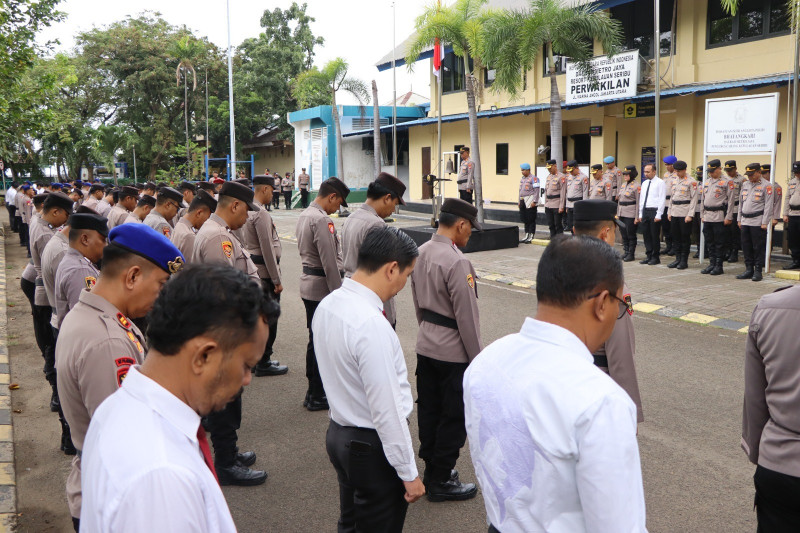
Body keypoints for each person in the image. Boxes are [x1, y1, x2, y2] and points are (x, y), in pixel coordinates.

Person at [463, 235, 647, 533]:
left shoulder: (486, 363)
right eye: (619, 304)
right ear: (602, 303)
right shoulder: (601, 400)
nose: (619, 313)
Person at [80, 264, 277, 533]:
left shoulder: (119, 407)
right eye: (245, 365)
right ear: (203, 356)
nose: (247, 380)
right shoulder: (162, 478)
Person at [57, 224, 184, 530]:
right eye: (161, 284)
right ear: (132, 276)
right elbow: (127, 440)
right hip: (115, 498)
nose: (161, 296)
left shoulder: (97, 316)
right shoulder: (108, 341)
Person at [314, 226, 426, 532]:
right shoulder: (370, 324)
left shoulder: (329, 304)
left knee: (350, 523)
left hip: (340, 433)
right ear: (392, 269)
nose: (405, 283)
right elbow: (386, 409)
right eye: (407, 274)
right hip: (371, 446)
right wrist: (409, 473)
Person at [192, 181, 268, 486]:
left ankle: (229, 452)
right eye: (246, 210)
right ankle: (225, 462)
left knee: (230, 396)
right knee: (225, 398)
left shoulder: (221, 234)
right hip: (224, 331)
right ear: (234, 205)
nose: (248, 217)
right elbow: (225, 291)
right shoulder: (216, 238)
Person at [411, 198, 481, 501]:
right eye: (470, 230)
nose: (469, 235)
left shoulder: (420, 252)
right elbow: (467, 317)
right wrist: (477, 361)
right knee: (453, 415)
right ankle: (441, 479)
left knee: (429, 408)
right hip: (453, 352)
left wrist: (428, 331)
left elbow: (416, 303)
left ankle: (431, 469)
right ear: (461, 224)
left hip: (426, 343)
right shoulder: (457, 261)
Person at [572, 200, 644, 423]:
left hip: (562, 385)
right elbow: (620, 357)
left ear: (574, 231)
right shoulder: (610, 282)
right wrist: (628, 414)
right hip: (597, 390)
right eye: (614, 232)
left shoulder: (557, 269)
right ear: (605, 233)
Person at [296, 177, 350, 411]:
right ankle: (317, 393)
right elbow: (330, 262)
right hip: (322, 289)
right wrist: (339, 295)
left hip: (309, 284)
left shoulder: (305, 214)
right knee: (321, 342)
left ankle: (313, 393)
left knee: (314, 339)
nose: (337, 208)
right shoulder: (321, 220)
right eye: (338, 203)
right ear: (332, 197)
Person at [341, 172, 405, 326]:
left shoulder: (351, 218)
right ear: (387, 198)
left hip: (351, 292)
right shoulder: (376, 224)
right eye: (394, 204)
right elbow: (383, 271)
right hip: (372, 297)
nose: (393, 210)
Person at [29, 193, 73, 416]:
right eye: (65, 215)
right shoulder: (47, 235)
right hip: (46, 296)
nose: (66, 221)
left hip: (42, 290)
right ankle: (57, 394)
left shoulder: (39, 222)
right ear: (55, 211)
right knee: (51, 348)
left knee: (49, 345)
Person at [241, 175, 289, 377]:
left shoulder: (248, 209)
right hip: (265, 273)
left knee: (258, 317)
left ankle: (257, 359)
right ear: (264, 190)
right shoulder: (260, 213)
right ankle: (264, 361)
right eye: (272, 190)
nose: (274, 193)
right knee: (269, 318)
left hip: (255, 270)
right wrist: (276, 280)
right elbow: (267, 249)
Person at [54, 213, 107, 329]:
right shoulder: (80, 270)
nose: (106, 245)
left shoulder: (73, 261)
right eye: (103, 240)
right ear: (85, 239)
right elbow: (86, 318)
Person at [737, 163, 774, 282]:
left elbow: (768, 206)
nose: (750, 177)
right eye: (748, 175)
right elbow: (741, 203)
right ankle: (748, 269)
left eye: (752, 175)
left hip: (758, 221)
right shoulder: (745, 184)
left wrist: (765, 222)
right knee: (746, 246)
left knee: (758, 247)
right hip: (745, 220)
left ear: (759, 172)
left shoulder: (767, 185)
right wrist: (739, 219)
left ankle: (758, 271)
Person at [666, 161, 698, 271]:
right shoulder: (675, 181)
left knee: (684, 237)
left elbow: (694, 199)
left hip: (685, 212)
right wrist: (669, 211)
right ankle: (677, 259)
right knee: (675, 237)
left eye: (678, 171)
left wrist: (690, 215)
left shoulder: (691, 182)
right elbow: (672, 197)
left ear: (684, 170)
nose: (676, 173)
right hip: (674, 211)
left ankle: (684, 260)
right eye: (675, 171)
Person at [170, 190, 216, 263]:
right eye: (209, 216)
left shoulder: (180, 225)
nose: (208, 220)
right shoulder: (188, 236)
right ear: (199, 213)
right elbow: (190, 269)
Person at [638, 163, 666, 265]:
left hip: (654, 210)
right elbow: (642, 199)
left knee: (654, 235)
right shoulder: (644, 183)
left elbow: (662, 199)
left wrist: (659, 214)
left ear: (654, 171)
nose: (646, 174)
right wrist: (641, 213)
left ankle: (655, 257)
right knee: (646, 235)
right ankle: (648, 255)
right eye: (645, 172)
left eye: (648, 172)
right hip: (645, 210)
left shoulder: (660, 183)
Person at [617, 166, 640, 262]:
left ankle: (631, 254)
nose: (625, 176)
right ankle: (626, 251)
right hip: (622, 212)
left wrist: (637, 217)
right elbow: (619, 200)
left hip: (631, 213)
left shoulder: (637, 186)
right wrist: (618, 213)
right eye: (624, 174)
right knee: (623, 234)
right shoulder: (623, 185)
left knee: (631, 234)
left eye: (627, 174)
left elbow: (638, 203)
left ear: (632, 174)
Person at [724, 160, 745, 263]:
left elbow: (744, 196)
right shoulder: (723, 179)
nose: (728, 172)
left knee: (734, 232)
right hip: (725, 207)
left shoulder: (742, 180)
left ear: (735, 169)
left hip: (736, 208)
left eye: (730, 170)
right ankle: (727, 251)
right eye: (727, 170)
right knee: (726, 232)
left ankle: (734, 253)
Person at [561, 160, 589, 233]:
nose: (571, 172)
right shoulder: (569, 177)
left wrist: (583, 206)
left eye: (572, 170)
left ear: (576, 168)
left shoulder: (584, 177)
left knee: (577, 226)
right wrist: (567, 206)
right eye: (569, 171)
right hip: (569, 204)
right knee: (570, 226)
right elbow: (568, 192)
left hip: (578, 204)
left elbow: (585, 193)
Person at [782, 161, 800, 270]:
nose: (797, 174)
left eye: (798, 172)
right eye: (795, 172)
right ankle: (796, 261)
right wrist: (785, 213)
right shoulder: (792, 182)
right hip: (793, 214)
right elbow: (787, 198)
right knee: (793, 239)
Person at [517, 163, 539, 243]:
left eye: (523, 170)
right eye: (521, 170)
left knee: (531, 218)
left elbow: (536, 190)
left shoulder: (534, 178)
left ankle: (531, 235)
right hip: (523, 200)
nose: (522, 172)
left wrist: (535, 201)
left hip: (530, 200)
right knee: (524, 218)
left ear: (528, 170)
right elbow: (520, 191)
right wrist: (519, 201)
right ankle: (526, 234)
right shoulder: (522, 179)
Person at [543, 159, 565, 238]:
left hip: (557, 203)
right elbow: (546, 190)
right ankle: (553, 240)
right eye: (548, 168)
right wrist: (545, 203)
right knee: (550, 224)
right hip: (548, 204)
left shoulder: (561, 177)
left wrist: (561, 206)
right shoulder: (549, 177)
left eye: (550, 168)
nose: (549, 170)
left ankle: (560, 241)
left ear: (555, 166)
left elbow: (563, 192)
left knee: (557, 224)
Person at [661, 155, 678, 256]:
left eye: (669, 165)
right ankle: (668, 246)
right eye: (666, 165)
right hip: (665, 203)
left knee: (673, 227)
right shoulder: (666, 175)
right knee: (665, 226)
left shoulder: (677, 175)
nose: (667, 167)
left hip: (673, 203)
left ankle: (675, 247)